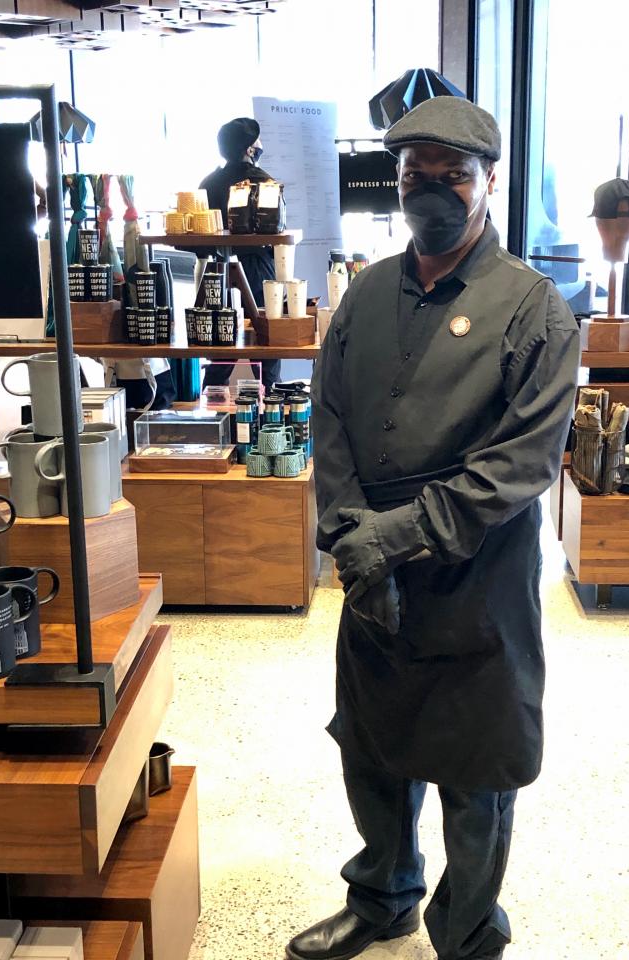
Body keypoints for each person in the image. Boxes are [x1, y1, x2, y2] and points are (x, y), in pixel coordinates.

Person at [286, 96, 580, 960]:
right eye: (417, 175)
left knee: (476, 773)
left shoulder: (534, 310)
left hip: (474, 582)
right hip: (373, 574)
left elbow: (519, 468)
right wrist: (350, 535)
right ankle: (382, 898)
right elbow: (329, 418)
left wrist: (396, 536)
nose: (433, 191)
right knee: (370, 748)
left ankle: (467, 933)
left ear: (492, 181)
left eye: (453, 175)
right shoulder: (368, 292)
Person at [199, 117, 281, 394]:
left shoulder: (208, 183)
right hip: (257, 265)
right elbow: (277, 229)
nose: (260, 145)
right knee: (266, 339)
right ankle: (273, 406)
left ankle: (211, 410)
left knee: (220, 342)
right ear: (249, 148)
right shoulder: (264, 182)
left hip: (217, 268)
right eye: (256, 141)